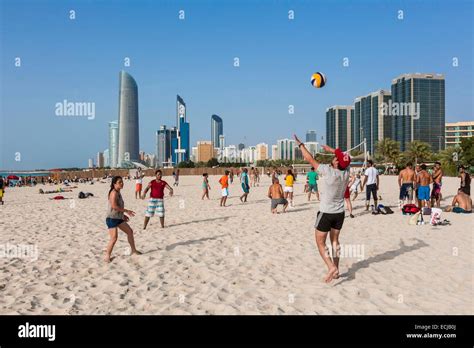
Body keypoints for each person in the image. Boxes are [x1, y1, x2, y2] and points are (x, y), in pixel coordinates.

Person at [294, 134, 351, 283]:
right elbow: (344, 157)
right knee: (335, 241)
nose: (335, 157)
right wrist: (332, 150)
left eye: (336, 158)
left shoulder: (328, 171)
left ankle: (331, 267)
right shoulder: (347, 172)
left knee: (320, 243)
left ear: (336, 163)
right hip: (339, 213)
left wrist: (300, 145)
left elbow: (309, 159)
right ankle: (337, 270)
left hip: (326, 212)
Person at [105, 176, 141, 263]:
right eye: (119, 182)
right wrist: (126, 211)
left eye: (122, 182)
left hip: (118, 217)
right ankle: (107, 256)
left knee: (130, 231)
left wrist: (123, 215)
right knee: (114, 238)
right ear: (114, 184)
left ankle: (133, 250)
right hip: (112, 218)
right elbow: (114, 206)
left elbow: (118, 207)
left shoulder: (118, 192)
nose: (122, 183)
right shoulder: (113, 193)